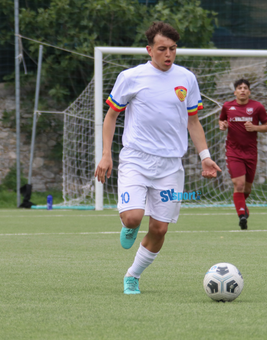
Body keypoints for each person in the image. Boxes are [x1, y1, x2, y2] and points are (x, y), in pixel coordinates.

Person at [94, 22, 221, 294]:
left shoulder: (186, 78)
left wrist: (205, 157)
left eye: (173, 49)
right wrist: (106, 154)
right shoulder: (131, 77)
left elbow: (194, 122)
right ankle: (129, 225)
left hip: (170, 167)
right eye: (162, 49)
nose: (168, 55)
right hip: (136, 160)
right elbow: (111, 116)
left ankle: (133, 275)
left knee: (160, 229)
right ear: (149, 50)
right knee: (132, 218)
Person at [219, 79, 267, 230]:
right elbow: (222, 120)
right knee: (239, 185)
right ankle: (242, 215)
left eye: (245, 88)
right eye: (239, 88)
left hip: (251, 153)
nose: (242, 90)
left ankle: (242, 206)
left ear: (249, 92)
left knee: (247, 189)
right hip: (233, 152)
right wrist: (222, 125)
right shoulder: (228, 106)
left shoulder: (257, 107)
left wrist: (254, 127)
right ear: (235, 92)